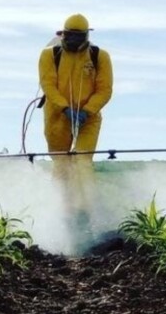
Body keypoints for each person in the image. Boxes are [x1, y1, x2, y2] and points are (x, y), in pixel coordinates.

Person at [38, 13, 114, 253]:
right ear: (63, 34)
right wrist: (64, 107)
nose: (72, 41)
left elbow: (105, 89)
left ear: (86, 36)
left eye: (78, 37)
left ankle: (88, 212)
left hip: (88, 118)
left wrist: (87, 110)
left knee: (82, 161)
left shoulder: (99, 57)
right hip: (57, 116)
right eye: (69, 36)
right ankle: (64, 212)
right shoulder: (49, 55)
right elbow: (48, 84)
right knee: (61, 164)